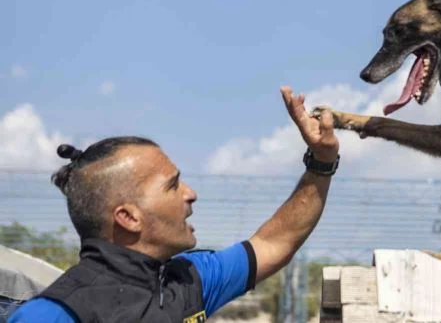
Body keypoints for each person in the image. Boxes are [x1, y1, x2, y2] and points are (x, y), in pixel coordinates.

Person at [9, 87, 339, 323]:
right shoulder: (56, 313)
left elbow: (274, 242)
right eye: (172, 185)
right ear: (128, 217)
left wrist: (322, 161)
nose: (190, 193)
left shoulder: (188, 278)